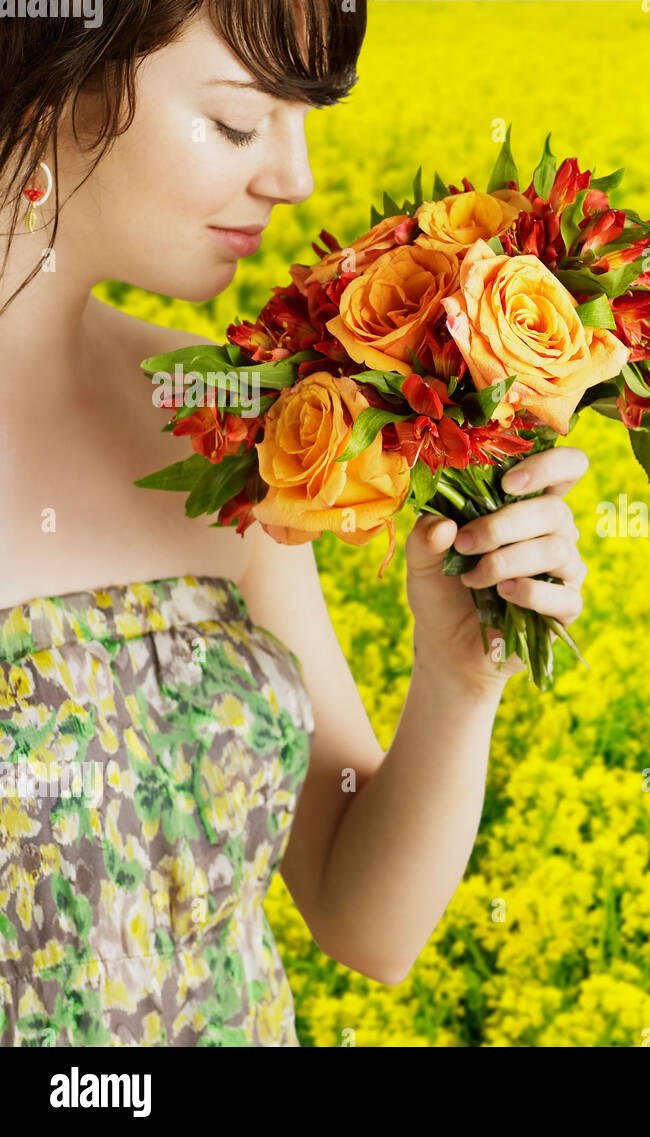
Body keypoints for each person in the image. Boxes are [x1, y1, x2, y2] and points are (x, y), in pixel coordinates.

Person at [0, 0, 587, 1045]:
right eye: (236, 123)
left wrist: (459, 680)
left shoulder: (214, 425)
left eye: (301, 118)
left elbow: (366, 922)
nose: (295, 178)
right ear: (59, 77)